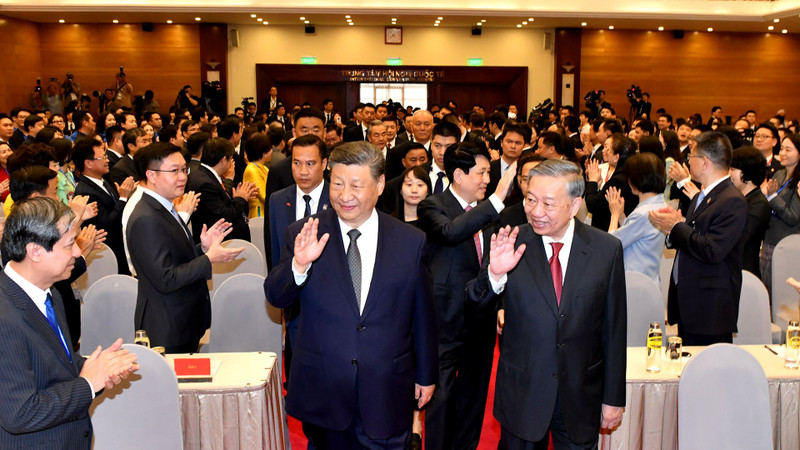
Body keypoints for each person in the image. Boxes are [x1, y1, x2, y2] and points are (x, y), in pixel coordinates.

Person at [264, 141, 437, 448]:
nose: (345, 196)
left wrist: (425, 374)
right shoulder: (305, 233)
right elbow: (276, 296)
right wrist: (298, 266)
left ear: (380, 185)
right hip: (325, 392)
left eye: (356, 186)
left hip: (387, 388)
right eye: (337, 184)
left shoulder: (410, 241)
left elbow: (422, 315)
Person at [466, 159, 626, 449]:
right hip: (523, 393)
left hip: (580, 395)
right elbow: (474, 309)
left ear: (575, 205)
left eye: (548, 204)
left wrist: (613, 398)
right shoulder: (510, 241)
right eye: (530, 200)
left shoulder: (606, 249)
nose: (536, 212)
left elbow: (614, 330)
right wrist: (494, 276)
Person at [0, 197, 138, 448]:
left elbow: (58, 367)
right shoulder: (4, 316)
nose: (77, 252)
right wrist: (88, 384)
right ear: (35, 251)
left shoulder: (50, 293)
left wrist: (99, 368)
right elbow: (20, 413)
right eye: (70, 244)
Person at [417, 140, 517, 450]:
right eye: (482, 173)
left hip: (480, 319)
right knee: (441, 401)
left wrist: (500, 304)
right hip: (445, 322)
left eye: (489, 172)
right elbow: (451, 233)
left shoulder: (490, 213)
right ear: (459, 175)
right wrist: (496, 200)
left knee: (473, 400)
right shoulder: (432, 206)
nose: (488, 179)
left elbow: (495, 264)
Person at [127, 142, 243, 353]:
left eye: (184, 170)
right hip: (167, 326)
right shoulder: (146, 217)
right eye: (174, 171)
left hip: (181, 320)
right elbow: (165, 278)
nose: (182, 177)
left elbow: (174, 258)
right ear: (151, 175)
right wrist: (209, 259)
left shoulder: (164, 207)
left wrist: (202, 249)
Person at [649, 131, 747, 345]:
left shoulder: (732, 200)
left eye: (690, 157)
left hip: (709, 307)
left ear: (704, 162)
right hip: (691, 300)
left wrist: (676, 226)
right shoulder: (704, 195)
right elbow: (693, 234)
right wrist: (673, 227)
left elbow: (712, 250)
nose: (687, 162)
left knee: (709, 364)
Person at [72, 137, 136, 275]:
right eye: (103, 157)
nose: (107, 160)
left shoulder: (103, 181)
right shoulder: (85, 192)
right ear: (88, 163)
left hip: (120, 247)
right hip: (108, 252)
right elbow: (107, 225)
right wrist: (123, 198)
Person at [605, 152, 668, 283]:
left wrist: (614, 214)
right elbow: (635, 233)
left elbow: (611, 244)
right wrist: (621, 215)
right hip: (647, 279)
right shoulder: (659, 205)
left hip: (635, 283)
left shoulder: (644, 213)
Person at [186, 137, 257, 243]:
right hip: (220, 243)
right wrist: (240, 199)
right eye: (231, 159)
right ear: (223, 160)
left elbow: (220, 204)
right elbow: (224, 216)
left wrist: (236, 197)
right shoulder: (205, 184)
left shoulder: (205, 175)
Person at [759, 133, 800, 292]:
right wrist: (766, 196)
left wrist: (772, 197)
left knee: (781, 291)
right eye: (782, 149)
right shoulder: (779, 174)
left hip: (786, 242)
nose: (782, 153)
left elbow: (792, 217)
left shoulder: (798, 181)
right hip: (769, 238)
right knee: (767, 288)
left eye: (788, 150)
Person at [729, 147, 770, 278]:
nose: (729, 174)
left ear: (748, 172)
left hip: (745, 273)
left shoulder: (759, 204)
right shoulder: (739, 198)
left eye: (733, 169)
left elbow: (740, 238)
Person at [584, 133, 639, 231]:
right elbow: (604, 202)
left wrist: (592, 181)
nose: (604, 151)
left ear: (617, 157)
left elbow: (593, 205)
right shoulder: (630, 173)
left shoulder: (617, 180)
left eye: (607, 149)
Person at [242, 133, 272, 218]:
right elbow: (263, 195)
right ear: (264, 152)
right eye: (270, 148)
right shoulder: (251, 169)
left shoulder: (264, 168)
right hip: (258, 215)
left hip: (266, 213)